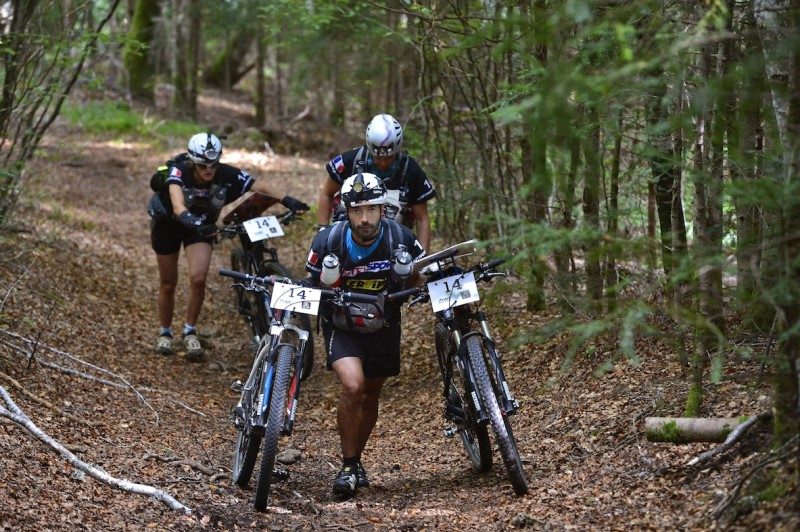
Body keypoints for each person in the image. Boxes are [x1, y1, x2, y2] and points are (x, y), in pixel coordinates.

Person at [305, 172, 425, 498]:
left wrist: (412, 280)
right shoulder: (327, 240)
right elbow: (310, 284)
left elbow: (422, 276)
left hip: (383, 326)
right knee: (353, 385)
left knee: (371, 394)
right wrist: (326, 283)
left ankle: (356, 461)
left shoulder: (401, 238)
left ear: (382, 209)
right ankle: (346, 466)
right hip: (342, 325)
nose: (365, 218)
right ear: (346, 210)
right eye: (357, 211)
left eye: (371, 210)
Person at [152, 132, 309, 361]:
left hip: (201, 228)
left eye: (213, 164)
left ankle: (189, 330)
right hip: (169, 225)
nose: (208, 169)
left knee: (198, 278)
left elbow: (259, 185)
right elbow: (178, 206)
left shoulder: (225, 174)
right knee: (168, 283)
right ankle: (165, 331)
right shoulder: (179, 171)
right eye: (203, 165)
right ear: (192, 162)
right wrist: (196, 223)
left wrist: (287, 200)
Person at [317, 113, 436, 250]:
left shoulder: (411, 170)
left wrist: (422, 258)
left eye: (389, 157)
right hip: (346, 239)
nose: (383, 162)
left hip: (392, 243)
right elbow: (327, 193)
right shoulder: (350, 161)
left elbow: (422, 218)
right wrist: (323, 230)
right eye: (377, 158)